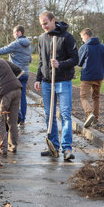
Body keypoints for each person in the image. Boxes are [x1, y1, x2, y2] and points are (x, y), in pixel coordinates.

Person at [34, 11, 78, 161]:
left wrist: (60, 64)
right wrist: (38, 78)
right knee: (49, 115)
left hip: (63, 82)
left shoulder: (67, 37)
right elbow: (41, 61)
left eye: (46, 23)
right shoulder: (42, 38)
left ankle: (67, 148)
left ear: (53, 21)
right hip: (47, 83)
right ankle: (53, 146)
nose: (44, 27)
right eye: (42, 25)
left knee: (65, 114)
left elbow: (75, 59)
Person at [0, 25, 32, 125]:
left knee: (13, 95)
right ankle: (22, 119)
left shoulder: (17, 43)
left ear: (19, 33)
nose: (13, 35)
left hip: (17, 73)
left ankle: (16, 118)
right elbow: (30, 59)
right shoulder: (28, 44)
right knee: (22, 97)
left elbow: (2, 50)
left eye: (14, 33)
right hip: (25, 73)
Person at [77, 28, 104, 128]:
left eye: (82, 37)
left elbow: (79, 63)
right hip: (99, 75)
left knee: (83, 97)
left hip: (87, 76)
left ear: (86, 36)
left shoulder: (84, 47)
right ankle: (96, 119)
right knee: (96, 97)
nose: (82, 40)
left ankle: (90, 113)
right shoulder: (103, 47)